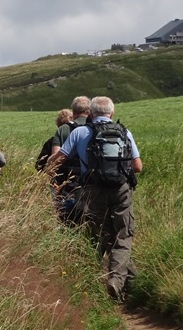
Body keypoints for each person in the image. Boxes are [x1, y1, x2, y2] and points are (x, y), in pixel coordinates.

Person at [47, 96, 142, 302]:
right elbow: (137, 166)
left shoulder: (80, 132)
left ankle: (94, 280)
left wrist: (49, 163)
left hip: (93, 189)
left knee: (98, 234)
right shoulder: (124, 132)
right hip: (121, 189)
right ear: (112, 113)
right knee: (123, 234)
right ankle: (118, 280)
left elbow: (58, 160)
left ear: (91, 113)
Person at [49, 96, 91, 225]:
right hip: (92, 180)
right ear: (90, 111)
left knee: (68, 217)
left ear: (73, 112)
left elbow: (56, 158)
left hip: (69, 181)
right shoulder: (95, 128)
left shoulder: (64, 129)